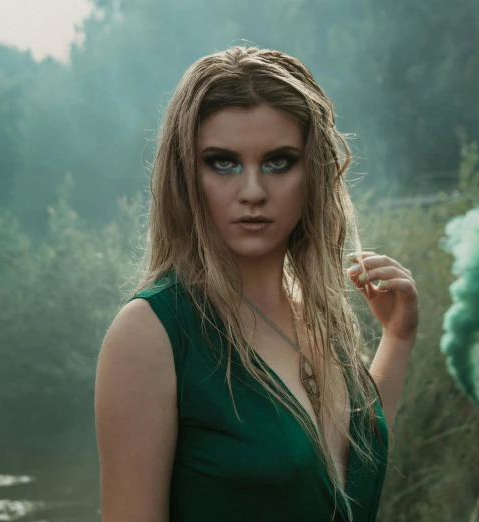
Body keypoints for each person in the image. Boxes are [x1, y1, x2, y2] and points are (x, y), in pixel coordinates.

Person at [95, 45, 419, 522]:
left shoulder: (314, 317)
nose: (252, 192)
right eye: (223, 162)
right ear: (186, 176)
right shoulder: (152, 333)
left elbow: (348, 466)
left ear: (313, 171)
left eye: (278, 161)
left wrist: (399, 336)